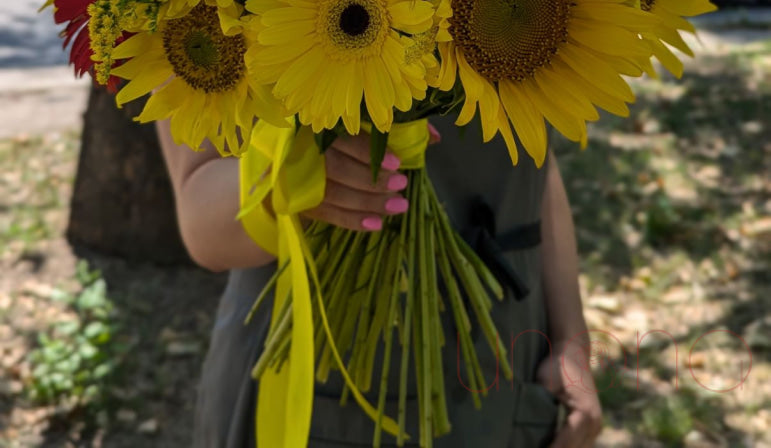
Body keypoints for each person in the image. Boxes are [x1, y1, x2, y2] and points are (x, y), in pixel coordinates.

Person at [158, 114, 603, 448]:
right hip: (322, 373)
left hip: (511, 365)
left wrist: (570, 339)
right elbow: (201, 220)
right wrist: (290, 177)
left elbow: (533, 148)